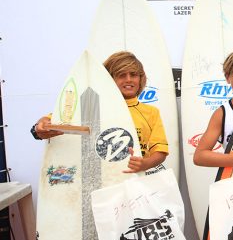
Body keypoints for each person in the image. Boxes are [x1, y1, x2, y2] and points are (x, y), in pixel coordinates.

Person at [33, 51, 168, 174]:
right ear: (108, 79)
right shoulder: (91, 106)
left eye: (133, 75)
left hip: (135, 179)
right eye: (121, 75)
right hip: (102, 179)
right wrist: (40, 126)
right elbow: (50, 121)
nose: (128, 79)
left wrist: (145, 164)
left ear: (140, 79)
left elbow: (160, 152)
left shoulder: (151, 113)